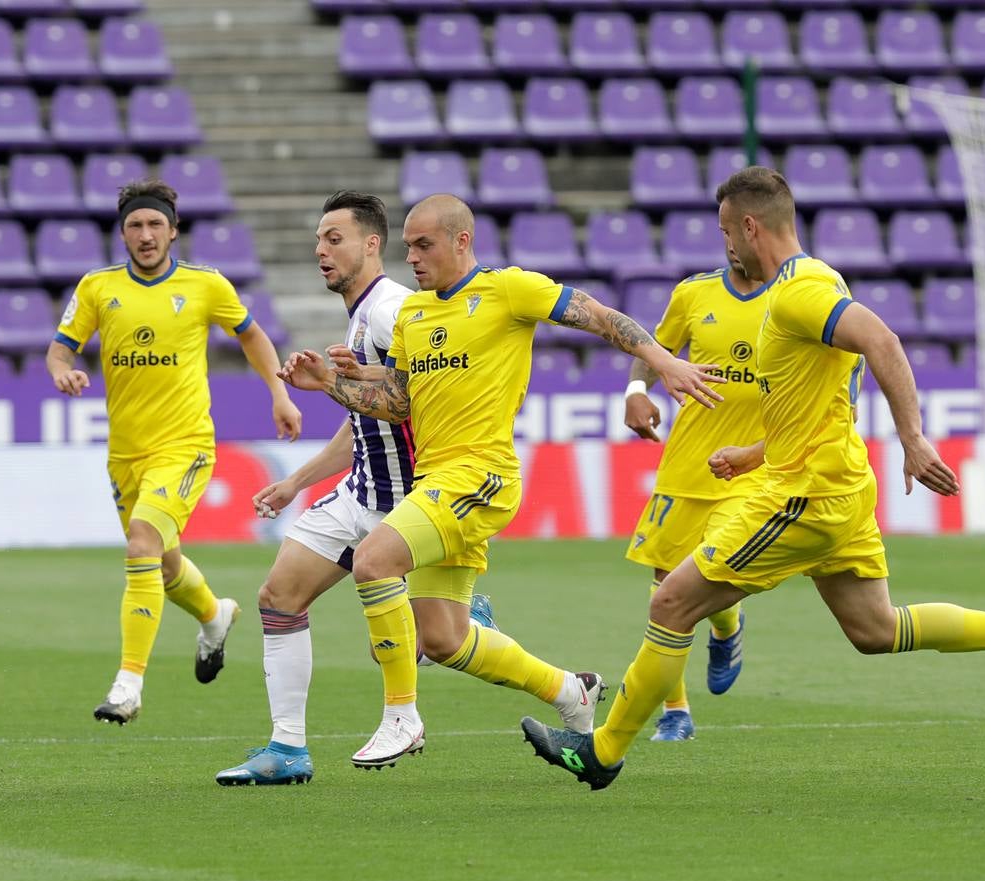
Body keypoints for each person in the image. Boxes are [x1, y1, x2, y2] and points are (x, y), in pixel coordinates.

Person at [522, 166, 985, 790]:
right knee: (876, 630)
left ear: (748, 225)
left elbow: (884, 340)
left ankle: (603, 751)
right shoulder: (813, 283)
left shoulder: (799, 290)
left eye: (725, 232)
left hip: (804, 495)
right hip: (833, 484)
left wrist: (912, 436)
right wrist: (755, 452)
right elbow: (820, 401)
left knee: (671, 602)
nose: (725, 247)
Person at [279, 193, 726, 769]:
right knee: (444, 638)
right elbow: (398, 401)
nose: (411, 257)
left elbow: (596, 315)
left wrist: (662, 365)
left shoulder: (508, 289)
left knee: (372, 561)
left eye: (424, 244)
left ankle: (400, 717)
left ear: (461, 240)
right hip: (435, 482)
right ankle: (572, 691)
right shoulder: (415, 315)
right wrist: (332, 384)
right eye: (408, 246)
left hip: (481, 476)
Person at [214, 191, 495, 787]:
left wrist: (331, 386)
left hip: (406, 503)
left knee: (434, 644)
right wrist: (296, 481)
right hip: (361, 493)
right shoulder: (364, 314)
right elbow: (365, 417)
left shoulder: (394, 311)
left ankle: (545, 674)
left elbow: (413, 402)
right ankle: (287, 750)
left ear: (372, 244)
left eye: (333, 239)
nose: (321, 251)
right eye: (317, 240)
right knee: (279, 597)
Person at [47, 177, 303, 725]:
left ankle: (128, 685)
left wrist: (278, 393)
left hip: (185, 446)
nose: (145, 234)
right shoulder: (97, 288)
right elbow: (60, 348)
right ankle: (215, 616)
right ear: (122, 233)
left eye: (154, 224)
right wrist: (64, 371)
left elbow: (252, 335)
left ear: (173, 229)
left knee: (142, 543)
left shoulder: (205, 285)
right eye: (135, 225)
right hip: (126, 455)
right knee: (161, 565)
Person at [622, 248, 765, 741]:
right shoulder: (694, 292)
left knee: (712, 569)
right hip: (686, 466)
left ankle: (726, 626)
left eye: (735, 230)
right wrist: (636, 392)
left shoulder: (797, 297)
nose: (730, 243)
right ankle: (676, 712)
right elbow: (652, 350)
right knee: (666, 588)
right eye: (723, 230)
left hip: (751, 469)